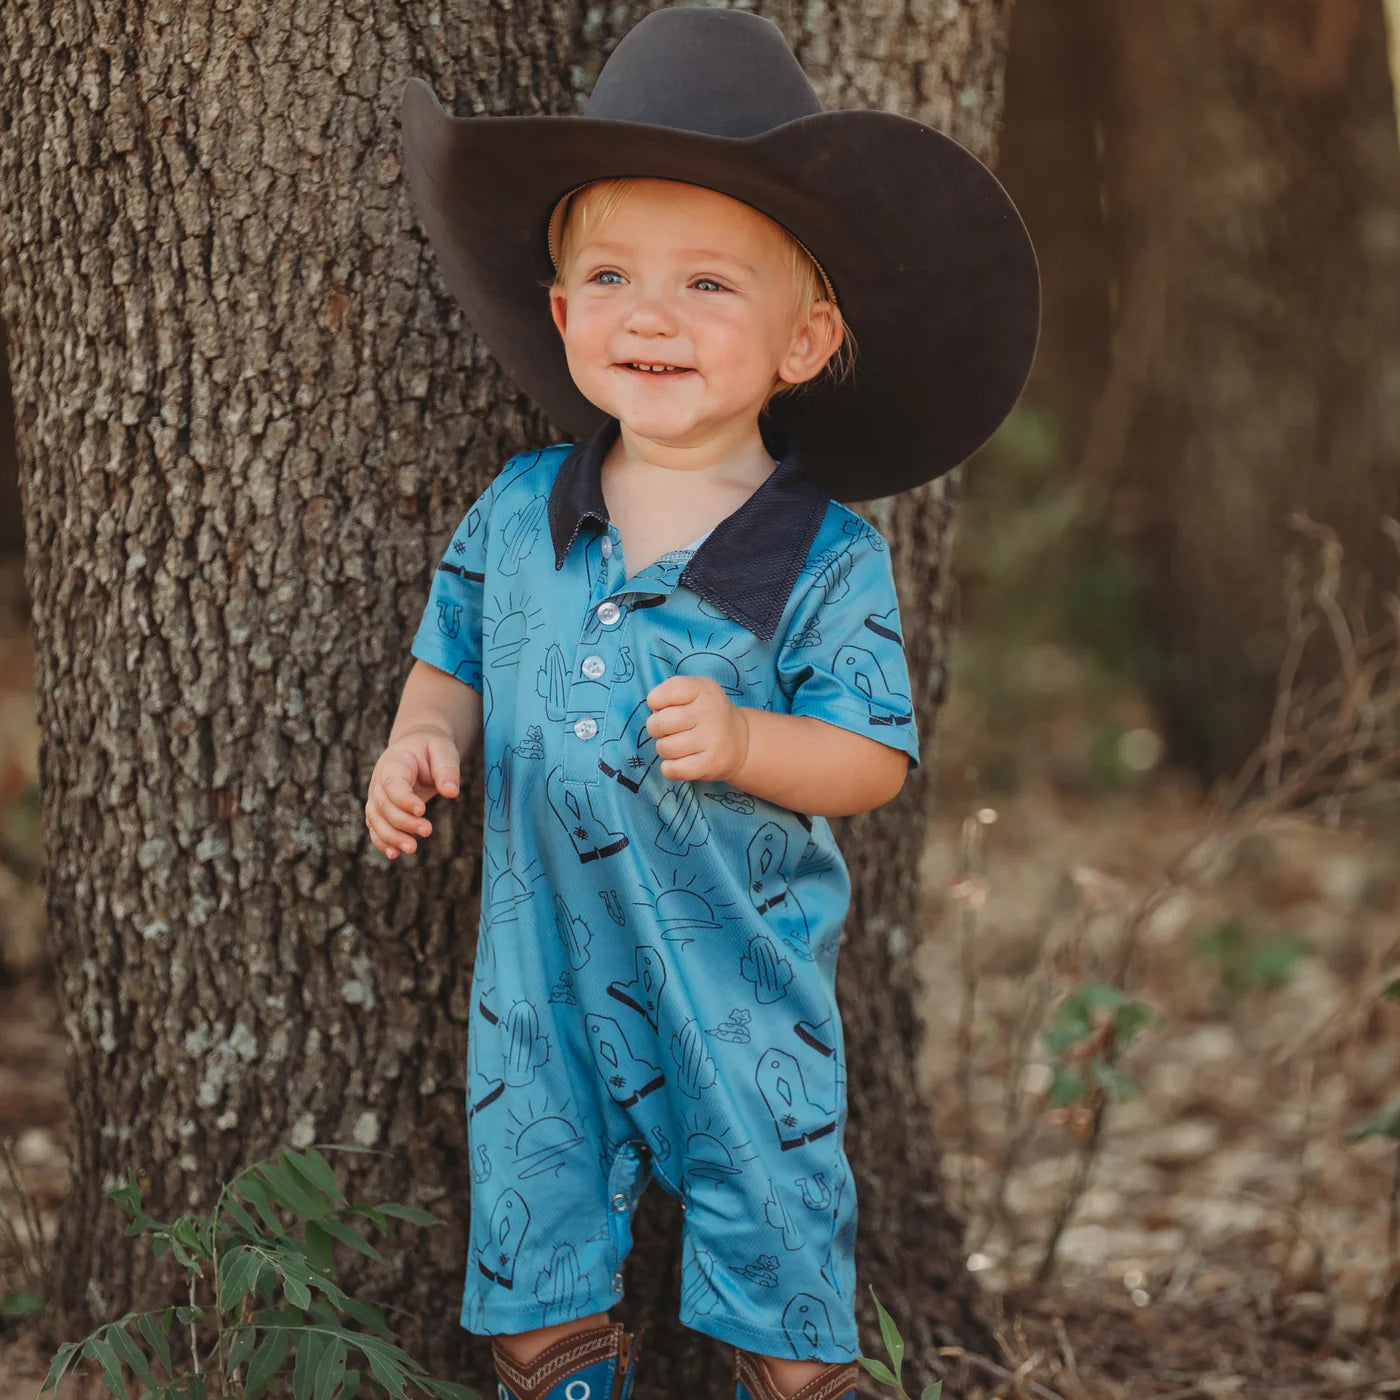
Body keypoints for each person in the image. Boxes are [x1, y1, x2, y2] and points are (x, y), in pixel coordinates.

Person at [366, 9, 1038, 1400]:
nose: (650, 315)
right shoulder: (517, 515)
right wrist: (422, 738)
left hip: (742, 983)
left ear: (806, 341)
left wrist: (746, 743)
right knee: (535, 1252)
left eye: (709, 285)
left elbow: (872, 760)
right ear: (561, 317)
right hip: (539, 982)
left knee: (780, 1247)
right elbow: (455, 658)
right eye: (609, 274)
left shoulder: (824, 553)